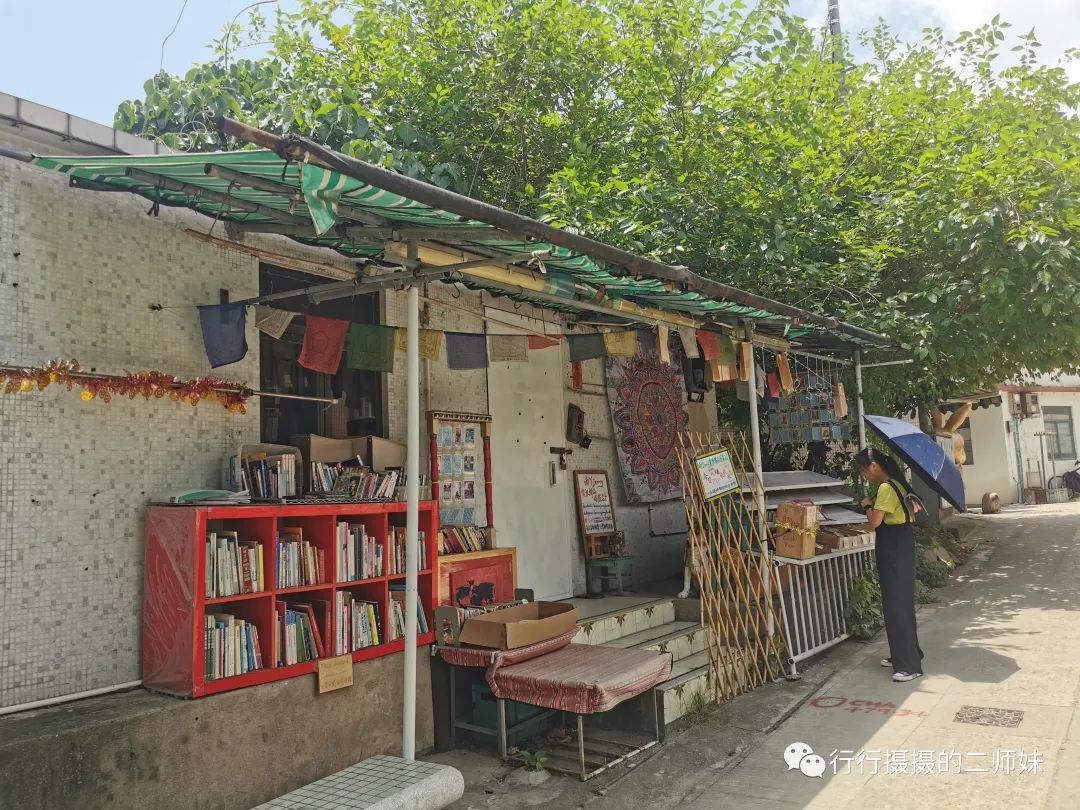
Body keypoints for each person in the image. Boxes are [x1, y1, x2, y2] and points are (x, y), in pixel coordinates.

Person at [857, 448, 924, 682]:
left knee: (896, 605)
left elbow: (875, 521)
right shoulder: (897, 484)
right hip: (900, 544)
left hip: (894, 547)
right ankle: (907, 654)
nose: (864, 474)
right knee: (900, 603)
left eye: (864, 469)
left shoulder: (886, 487)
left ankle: (909, 666)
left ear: (874, 466)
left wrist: (867, 506)